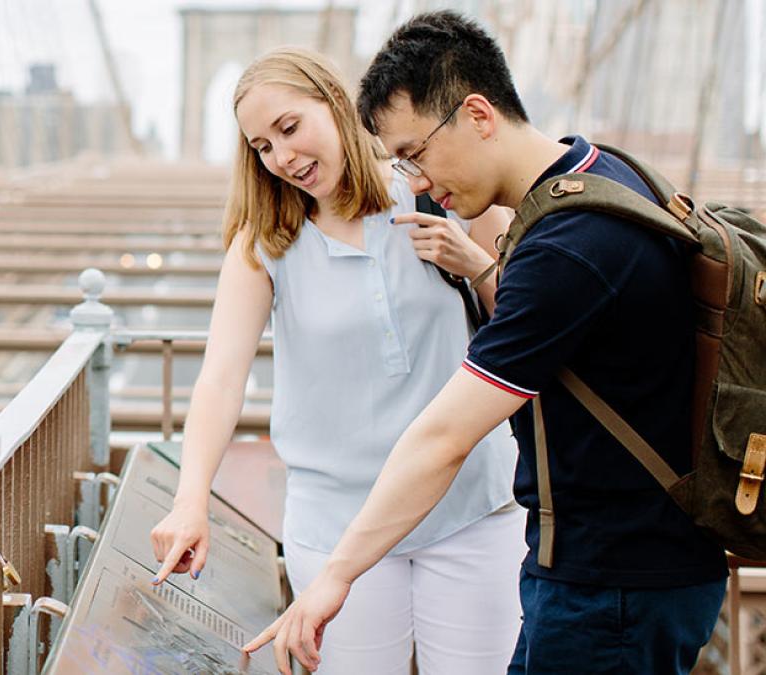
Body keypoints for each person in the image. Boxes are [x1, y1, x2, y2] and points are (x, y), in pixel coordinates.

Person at [243, 12, 729, 675]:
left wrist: (335, 576)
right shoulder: (603, 173)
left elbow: (444, 436)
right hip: (622, 568)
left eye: (415, 153)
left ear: (477, 114)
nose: (413, 182)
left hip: (613, 584)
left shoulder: (568, 248)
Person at [149, 46, 523, 674]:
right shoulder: (264, 243)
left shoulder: (438, 193)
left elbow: (525, 325)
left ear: (336, 104)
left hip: (472, 510)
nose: (282, 157)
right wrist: (191, 500)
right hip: (334, 524)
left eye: (290, 128)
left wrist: (475, 263)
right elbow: (219, 381)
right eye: (262, 146)